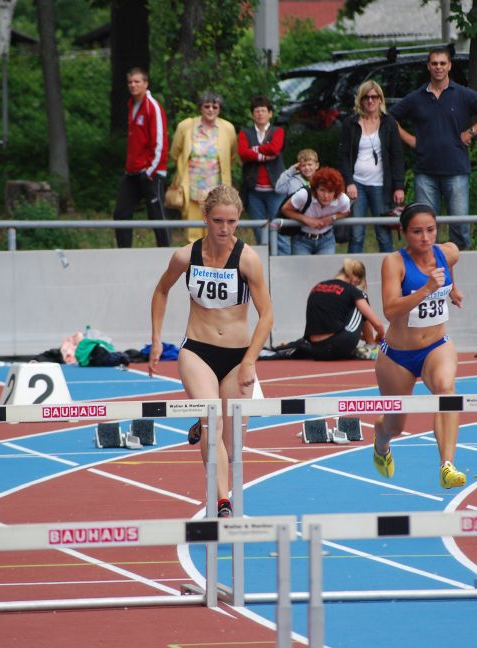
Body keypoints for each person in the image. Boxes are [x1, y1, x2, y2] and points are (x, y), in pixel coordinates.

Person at [149, 185, 273, 518]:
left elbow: (267, 315)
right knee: (212, 421)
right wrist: (157, 338)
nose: (224, 228)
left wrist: (249, 362)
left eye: (231, 221)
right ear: (205, 218)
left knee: (231, 446)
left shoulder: (247, 259)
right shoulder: (185, 256)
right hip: (197, 351)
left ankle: (204, 425)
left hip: (237, 357)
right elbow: (161, 290)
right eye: (218, 221)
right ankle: (222, 502)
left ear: (239, 220)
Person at [372, 203, 466, 489]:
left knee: (446, 390)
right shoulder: (394, 263)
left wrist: (452, 289)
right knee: (395, 426)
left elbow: (450, 265)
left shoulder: (448, 252)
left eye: (430, 230)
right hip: (397, 356)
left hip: (436, 346)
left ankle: (447, 466)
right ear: (403, 232)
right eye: (416, 232)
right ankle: (381, 441)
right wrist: (426, 289)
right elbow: (390, 310)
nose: (425, 238)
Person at [389, 47, 477, 250]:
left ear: (449, 66)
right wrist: (411, 140)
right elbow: (389, 119)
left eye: (443, 63)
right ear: (428, 66)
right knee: (425, 229)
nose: (438, 67)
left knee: (459, 228)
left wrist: (471, 132)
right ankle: (430, 267)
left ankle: (460, 264)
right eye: (434, 63)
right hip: (425, 172)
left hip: (456, 170)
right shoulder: (416, 97)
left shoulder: (462, 94)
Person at [339, 81, 406, 254]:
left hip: (381, 185)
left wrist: (399, 186)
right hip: (357, 183)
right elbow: (344, 155)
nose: (370, 101)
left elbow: (397, 156)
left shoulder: (389, 123)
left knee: (383, 234)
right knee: (356, 234)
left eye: (374, 97)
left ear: (380, 99)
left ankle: (390, 267)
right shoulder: (350, 123)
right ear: (360, 100)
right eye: (366, 97)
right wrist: (349, 182)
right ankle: (352, 269)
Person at [169, 91, 238, 244]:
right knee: (193, 234)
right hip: (192, 188)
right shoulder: (186, 126)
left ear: (219, 109)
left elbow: (232, 156)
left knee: (216, 232)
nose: (210, 110)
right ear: (200, 108)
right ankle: (194, 258)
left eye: (215, 107)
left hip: (217, 191)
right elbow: (175, 153)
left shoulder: (228, 128)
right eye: (207, 106)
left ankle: (215, 259)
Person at [113, 67, 170, 248]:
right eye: (130, 82)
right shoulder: (132, 104)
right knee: (121, 212)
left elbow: (159, 142)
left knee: (157, 214)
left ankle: (166, 254)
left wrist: (150, 171)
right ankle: (124, 253)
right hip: (132, 171)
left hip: (151, 171)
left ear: (146, 84)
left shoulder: (152, 106)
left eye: (137, 82)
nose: (133, 85)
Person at [303, 258, 384, 361]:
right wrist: (380, 334)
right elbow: (378, 324)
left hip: (316, 350)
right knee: (362, 297)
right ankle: (371, 346)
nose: (355, 286)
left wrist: (361, 336)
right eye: (357, 284)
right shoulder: (351, 290)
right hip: (337, 346)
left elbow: (326, 322)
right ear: (355, 279)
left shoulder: (317, 287)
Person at [238, 95, 285, 246]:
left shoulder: (278, 131)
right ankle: (264, 259)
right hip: (254, 191)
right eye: (257, 111)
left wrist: (254, 149)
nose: (260, 114)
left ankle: (281, 259)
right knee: (259, 232)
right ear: (252, 114)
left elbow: (275, 148)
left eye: (263, 110)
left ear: (270, 113)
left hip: (276, 190)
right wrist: (263, 156)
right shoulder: (245, 132)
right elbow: (242, 152)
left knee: (279, 232)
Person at [280, 166, 350, 256]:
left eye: (330, 191)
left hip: (327, 239)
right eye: (322, 190)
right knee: (300, 265)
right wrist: (306, 219)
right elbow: (285, 209)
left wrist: (332, 218)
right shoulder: (303, 195)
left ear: (336, 192)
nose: (326, 196)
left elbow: (346, 212)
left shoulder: (343, 199)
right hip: (301, 239)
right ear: (315, 189)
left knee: (326, 265)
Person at [273, 148, 320, 256]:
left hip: (318, 226)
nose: (307, 168)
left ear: (317, 165)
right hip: (299, 229)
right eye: (303, 165)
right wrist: (291, 170)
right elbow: (278, 188)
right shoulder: (293, 180)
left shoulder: (323, 179)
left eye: (310, 164)